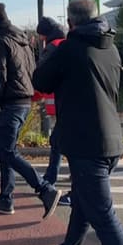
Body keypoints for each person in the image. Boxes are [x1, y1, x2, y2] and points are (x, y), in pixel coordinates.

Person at [33, 0, 123, 245]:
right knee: (81, 203)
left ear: (70, 22)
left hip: (86, 144)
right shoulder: (111, 48)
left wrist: (49, 53)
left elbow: (41, 81)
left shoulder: (70, 48)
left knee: (103, 217)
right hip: (110, 140)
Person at [0, 3, 60, 219]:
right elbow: (31, 69)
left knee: (7, 152)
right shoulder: (23, 39)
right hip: (25, 100)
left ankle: (45, 189)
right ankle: (5, 199)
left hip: (10, 102)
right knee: (4, 152)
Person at [35, 17, 71, 207]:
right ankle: (53, 176)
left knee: (59, 141)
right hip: (69, 101)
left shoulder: (52, 48)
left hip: (59, 101)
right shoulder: (67, 43)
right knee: (60, 140)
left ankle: (51, 178)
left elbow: (43, 75)